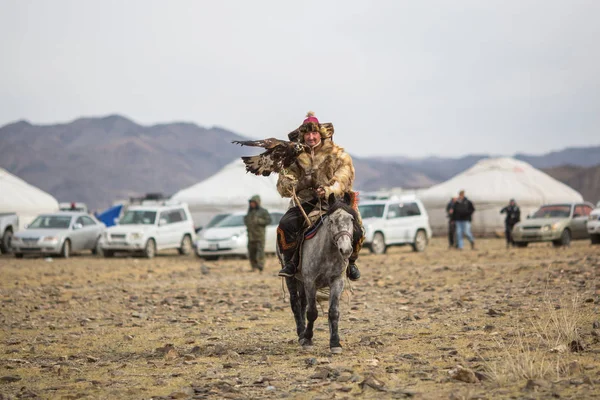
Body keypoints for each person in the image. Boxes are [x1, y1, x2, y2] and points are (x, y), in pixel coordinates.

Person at [276, 111, 363, 281]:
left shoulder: (338, 154)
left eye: (314, 133)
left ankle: (351, 262)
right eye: (307, 133)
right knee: (286, 225)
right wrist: (291, 184)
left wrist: (329, 189)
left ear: (321, 134)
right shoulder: (293, 156)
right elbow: (285, 177)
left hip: (335, 200)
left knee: (357, 228)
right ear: (303, 136)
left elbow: (344, 175)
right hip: (306, 200)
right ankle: (292, 262)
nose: (311, 137)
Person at [244, 195, 272, 272]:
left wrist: (259, 221)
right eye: (251, 203)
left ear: (257, 203)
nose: (251, 204)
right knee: (251, 252)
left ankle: (260, 266)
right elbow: (247, 221)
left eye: (253, 202)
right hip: (251, 236)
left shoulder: (263, 211)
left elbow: (268, 220)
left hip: (259, 236)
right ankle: (254, 267)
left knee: (260, 252)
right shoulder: (249, 212)